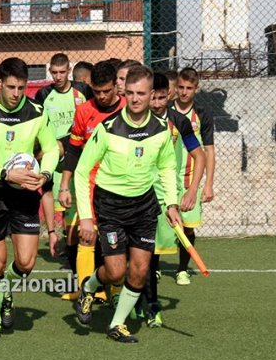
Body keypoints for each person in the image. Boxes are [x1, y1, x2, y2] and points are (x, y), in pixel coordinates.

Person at [72, 65, 182, 343]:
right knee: (116, 271)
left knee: (141, 270)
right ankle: (90, 286)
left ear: (152, 94)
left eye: (141, 94)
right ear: (125, 92)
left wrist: (171, 203)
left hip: (144, 205)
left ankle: (117, 324)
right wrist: (86, 217)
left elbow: (168, 167)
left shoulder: (161, 130)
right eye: (130, 93)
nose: (135, 99)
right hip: (110, 205)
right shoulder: (106, 129)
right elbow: (83, 171)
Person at [0, 57, 59, 342]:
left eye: (21, 88)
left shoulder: (37, 112)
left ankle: (6, 290)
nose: (16, 94)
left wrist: (46, 173)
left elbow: (52, 149)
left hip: (26, 193)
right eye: (11, 87)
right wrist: (5, 173)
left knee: (26, 264)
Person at [136, 72, 205, 328]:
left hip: (165, 197)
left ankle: (151, 306)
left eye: (161, 98)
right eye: (151, 97)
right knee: (137, 254)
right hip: (136, 193)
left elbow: (200, 156)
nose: (155, 103)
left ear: (170, 96)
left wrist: (192, 189)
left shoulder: (178, 122)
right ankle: (132, 299)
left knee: (151, 255)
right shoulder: (135, 120)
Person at [58, 60, 125, 299]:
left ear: (117, 85)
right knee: (86, 236)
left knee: (117, 239)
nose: (103, 96)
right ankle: (85, 290)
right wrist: (65, 185)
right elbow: (74, 150)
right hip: (89, 185)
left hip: (120, 187)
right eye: (97, 91)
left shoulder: (129, 109)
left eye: (107, 90)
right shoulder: (84, 111)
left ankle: (115, 291)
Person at [32, 53, 93, 257]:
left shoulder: (83, 90)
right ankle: (60, 241)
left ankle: (83, 250)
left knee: (80, 202)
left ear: (69, 71)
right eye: (54, 72)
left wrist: (69, 144)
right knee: (57, 200)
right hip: (53, 154)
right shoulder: (43, 94)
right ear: (50, 72)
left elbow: (94, 119)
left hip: (78, 152)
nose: (58, 76)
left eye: (62, 72)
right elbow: (37, 125)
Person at [171, 67, 215, 286]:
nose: (184, 92)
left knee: (188, 226)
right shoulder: (166, 109)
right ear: (175, 87)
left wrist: (208, 185)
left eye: (189, 88)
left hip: (190, 179)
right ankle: (154, 267)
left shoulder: (202, 113)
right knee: (159, 223)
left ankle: (181, 269)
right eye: (181, 87)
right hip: (166, 178)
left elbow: (209, 150)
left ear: (196, 89)